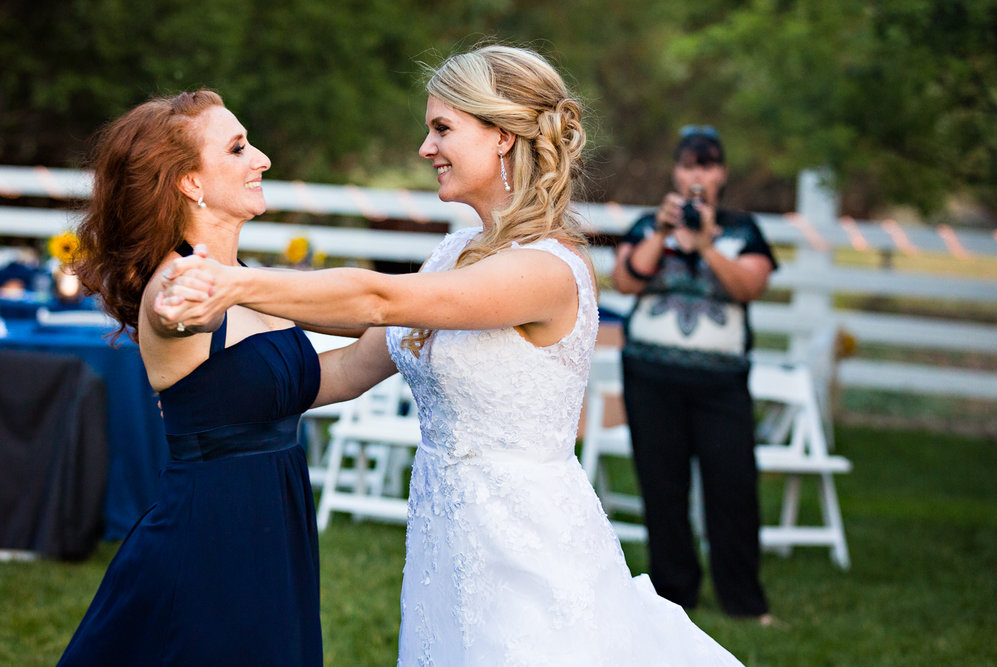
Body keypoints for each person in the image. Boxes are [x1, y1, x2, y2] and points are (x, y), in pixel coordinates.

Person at [156, 46, 743, 665]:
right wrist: (213, 395)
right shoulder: (457, 250)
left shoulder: (547, 269)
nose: (425, 147)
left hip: (527, 545)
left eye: (443, 129)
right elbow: (353, 368)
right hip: (446, 540)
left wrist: (233, 280)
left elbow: (379, 299)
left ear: (502, 137)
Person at [58, 90, 323, 665]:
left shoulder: (242, 279)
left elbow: (335, 373)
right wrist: (178, 314)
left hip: (273, 519)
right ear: (190, 183)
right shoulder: (178, 282)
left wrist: (432, 304)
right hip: (213, 532)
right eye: (238, 148)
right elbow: (176, 315)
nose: (262, 159)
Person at [610, 126, 778, 622]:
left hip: (720, 383)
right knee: (662, 487)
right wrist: (662, 233)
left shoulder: (742, 231)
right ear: (675, 172)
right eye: (687, 164)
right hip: (650, 376)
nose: (695, 174)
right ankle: (673, 595)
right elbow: (625, 281)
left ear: (721, 173)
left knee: (733, 487)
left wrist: (706, 245)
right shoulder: (647, 225)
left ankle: (744, 601)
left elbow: (749, 288)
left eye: (705, 164)